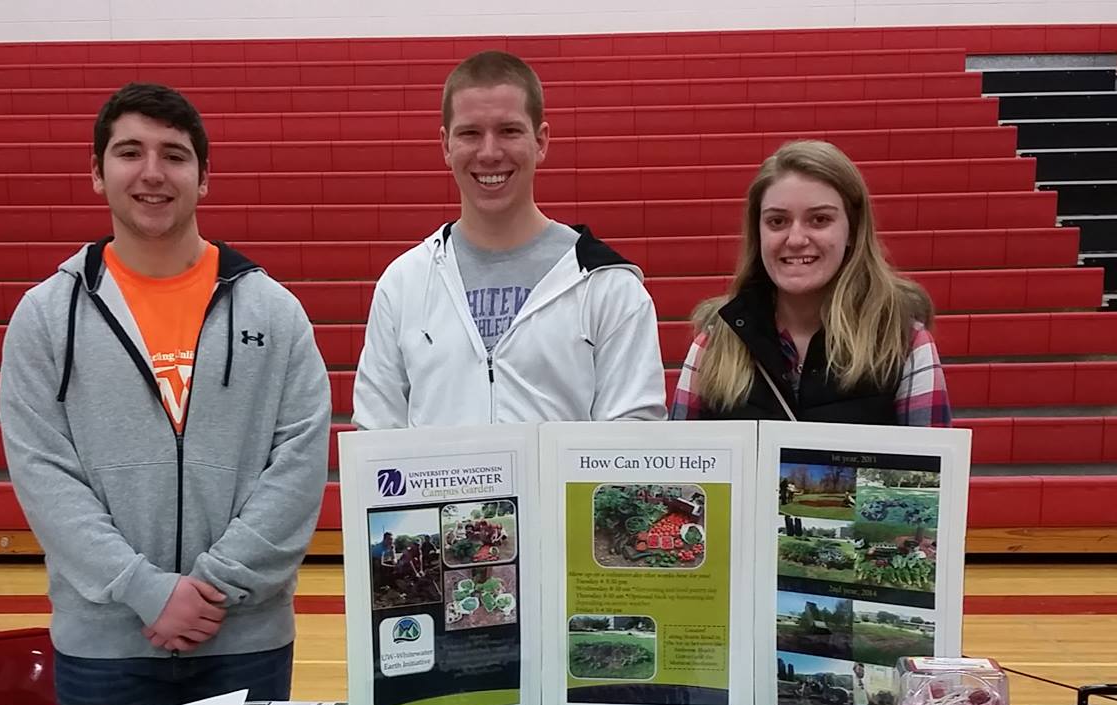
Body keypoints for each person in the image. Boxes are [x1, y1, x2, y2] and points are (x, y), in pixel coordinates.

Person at [0, 83, 332, 705]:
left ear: (204, 177)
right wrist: (144, 590)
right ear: (96, 173)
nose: (152, 173)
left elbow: (299, 467)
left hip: (244, 639)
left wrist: (210, 589)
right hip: (104, 646)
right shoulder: (46, 316)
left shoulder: (275, 312)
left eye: (174, 155)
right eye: (130, 153)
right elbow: (43, 474)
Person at [351, 50, 666, 428]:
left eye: (509, 131)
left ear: (541, 141)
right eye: (470, 133)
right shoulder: (404, 283)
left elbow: (630, 441)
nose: (489, 152)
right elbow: (376, 437)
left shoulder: (608, 284)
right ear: (446, 146)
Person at [670, 139, 950, 427]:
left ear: (853, 230)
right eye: (777, 222)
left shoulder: (904, 343)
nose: (796, 240)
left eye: (819, 219)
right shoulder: (715, 342)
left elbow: (933, 468)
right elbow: (680, 463)